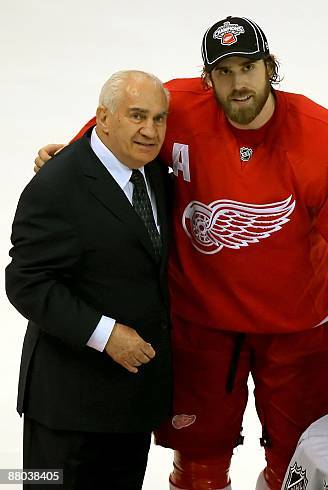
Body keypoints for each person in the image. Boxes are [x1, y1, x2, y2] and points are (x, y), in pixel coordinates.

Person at [35, 16, 328, 490]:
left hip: (298, 332)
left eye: (248, 67)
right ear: (206, 77)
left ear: (270, 67)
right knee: (198, 467)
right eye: (223, 72)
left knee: (302, 465)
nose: (237, 84)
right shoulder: (177, 108)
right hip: (200, 327)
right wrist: (66, 161)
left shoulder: (326, 141)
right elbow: (110, 133)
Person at [7, 70, 173, 490]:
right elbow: (27, 282)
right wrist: (105, 334)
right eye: (137, 116)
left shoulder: (152, 174)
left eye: (159, 118)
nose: (150, 131)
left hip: (130, 403)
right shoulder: (56, 184)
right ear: (104, 117)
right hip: (65, 408)